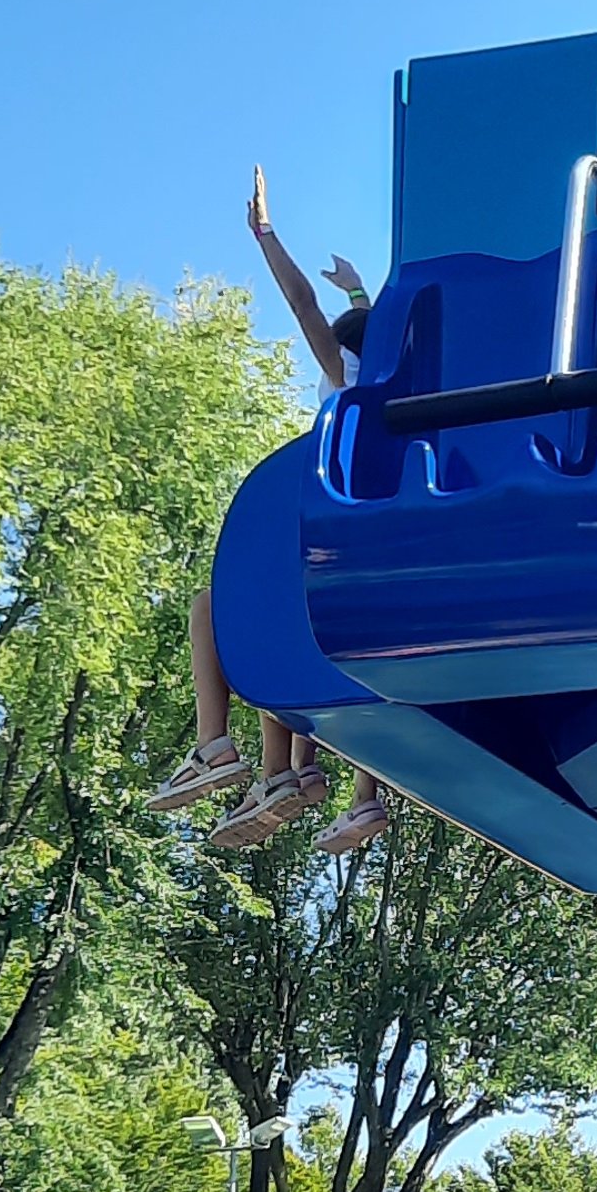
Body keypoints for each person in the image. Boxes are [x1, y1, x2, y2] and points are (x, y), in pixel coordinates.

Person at [149, 173, 389, 857]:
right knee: (306, 627)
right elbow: (369, 326)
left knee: (224, 609)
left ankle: (219, 746)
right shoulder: (396, 390)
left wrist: (265, 236)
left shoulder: (346, 384)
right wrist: (360, 294)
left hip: (331, 537)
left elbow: (301, 305)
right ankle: (306, 778)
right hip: (375, 552)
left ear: (344, 354)